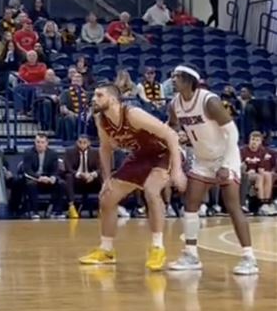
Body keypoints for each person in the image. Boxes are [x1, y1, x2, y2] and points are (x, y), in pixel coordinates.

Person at [78, 84, 186, 271]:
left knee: (151, 191)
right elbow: (105, 148)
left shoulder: (133, 114)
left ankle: (157, 247)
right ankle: (106, 250)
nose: (94, 98)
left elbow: (171, 135)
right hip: (140, 157)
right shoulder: (100, 119)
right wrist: (106, 179)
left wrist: (177, 170)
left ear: (112, 99)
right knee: (107, 198)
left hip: (164, 153)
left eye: (99, 95)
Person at [167, 66, 258, 275]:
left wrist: (226, 164)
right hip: (202, 159)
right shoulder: (174, 104)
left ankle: (249, 257)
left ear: (189, 80)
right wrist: (177, 135)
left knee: (233, 205)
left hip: (226, 156)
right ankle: (191, 254)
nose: (172, 80)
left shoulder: (209, 101)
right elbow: (172, 126)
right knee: (190, 204)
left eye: (177, 77)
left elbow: (233, 133)